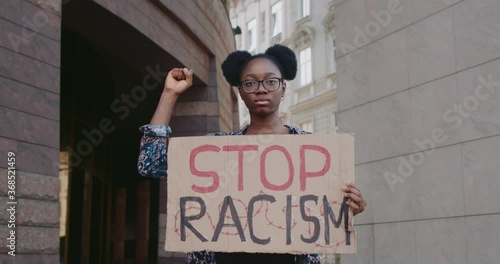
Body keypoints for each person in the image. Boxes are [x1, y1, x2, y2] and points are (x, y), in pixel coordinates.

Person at [137, 44, 366, 264]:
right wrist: (169, 93)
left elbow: (322, 214)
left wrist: (347, 207)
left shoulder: (313, 150)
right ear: (240, 92)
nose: (261, 88)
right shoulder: (215, 150)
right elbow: (152, 164)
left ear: (283, 87)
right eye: (250, 83)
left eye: (271, 81)